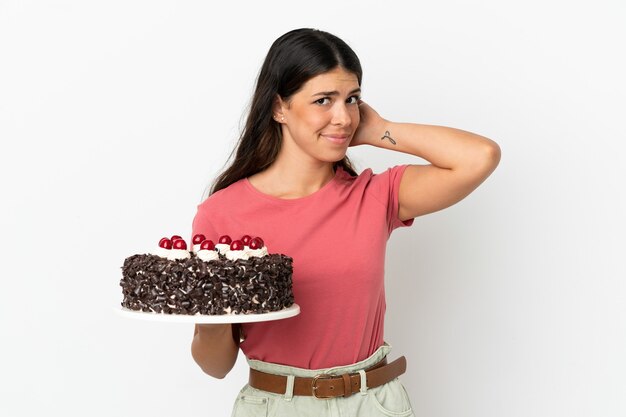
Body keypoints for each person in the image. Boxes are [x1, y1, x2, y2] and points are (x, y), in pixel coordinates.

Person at [190, 28, 500, 416]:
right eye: (323, 100)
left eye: (351, 99)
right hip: (275, 406)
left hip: (373, 404)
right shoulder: (222, 214)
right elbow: (214, 366)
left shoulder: (375, 196)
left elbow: (480, 156)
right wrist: (213, 320)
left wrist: (375, 130)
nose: (342, 117)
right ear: (278, 107)